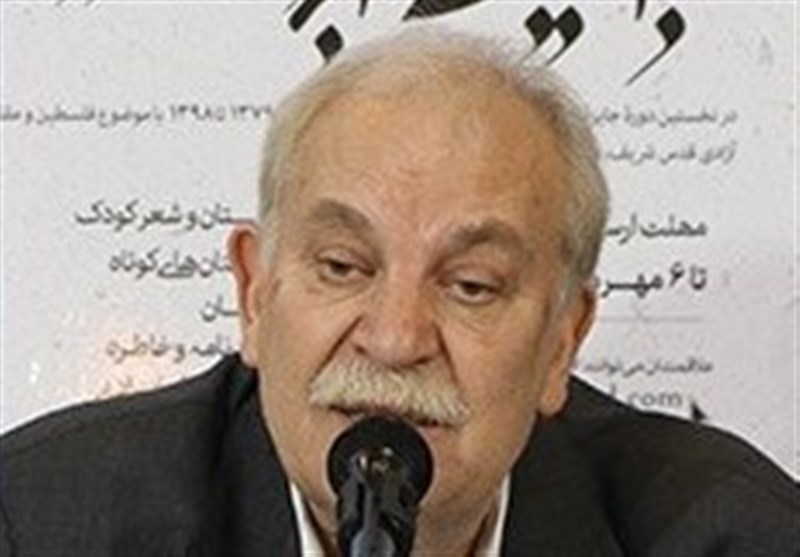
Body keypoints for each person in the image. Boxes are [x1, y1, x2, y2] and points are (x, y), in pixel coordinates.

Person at [1, 28, 797, 556]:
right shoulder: (43, 523)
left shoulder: (729, 534)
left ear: (562, 339)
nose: (394, 338)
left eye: (472, 285)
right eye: (343, 266)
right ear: (254, 293)